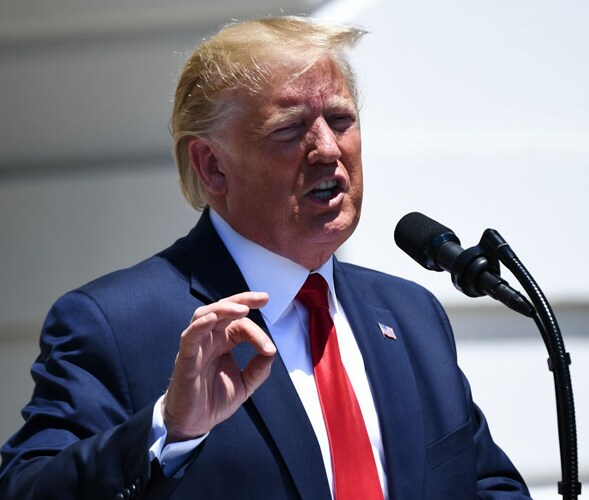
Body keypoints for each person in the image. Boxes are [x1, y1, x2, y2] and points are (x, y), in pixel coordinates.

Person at [0, 16, 531, 499]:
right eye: (289, 129)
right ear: (212, 167)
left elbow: (486, 485)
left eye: (340, 119)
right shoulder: (115, 325)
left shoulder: (411, 314)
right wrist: (170, 429)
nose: (327, 148)